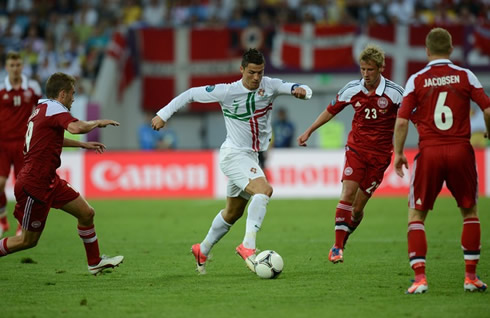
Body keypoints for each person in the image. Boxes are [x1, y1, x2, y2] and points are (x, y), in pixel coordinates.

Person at [151, 48, 312, 274]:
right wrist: (163, 114)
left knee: (232, 213)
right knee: (263, 190)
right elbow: (189, 94)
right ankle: (248, 246)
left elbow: (293, 87)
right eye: (252, 73)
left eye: (260, 72)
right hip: (234, 154)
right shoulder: (227, 92)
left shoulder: (270, 86)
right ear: (242, 70)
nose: (257, 77)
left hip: (251, 156)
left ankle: (202, 248)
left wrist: (302, 92)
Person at [394, 27, 489, 294]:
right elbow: (488, 107)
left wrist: (399, 152)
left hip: (430, 152)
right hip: (461, 151)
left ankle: (420, 279)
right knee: (469, 212)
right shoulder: (465, 75)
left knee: (416, 215)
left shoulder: (417, 79)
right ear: (450, 50)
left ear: (426, 51)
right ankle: (471, 278)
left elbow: (402, 120)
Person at [0, 72, 124, 275]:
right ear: (62, 93)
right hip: (34, 184)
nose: (74, 98)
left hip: (49, 180)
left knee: (86, 213)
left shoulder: (42, 109)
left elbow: (52, 138)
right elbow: (75, 128)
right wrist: (97, 122)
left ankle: (94, 262)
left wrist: (83, 145)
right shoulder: (55, 108)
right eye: (72, 94)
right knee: (27, 241)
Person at [297, 44, 404, 264]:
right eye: (363, 69)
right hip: (356, 149)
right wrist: (309, 130)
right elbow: (330, 110)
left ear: (381, 68)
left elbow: (412, 117)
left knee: (357, 209)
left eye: (370, 70)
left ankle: (343, 239)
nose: (365, 74)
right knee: (347, 193)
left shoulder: (395, 93)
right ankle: (337, 247)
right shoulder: (352, 89)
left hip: (380, 156)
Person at [0, 51, 42, 237]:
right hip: (2, 143)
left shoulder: (32, 87)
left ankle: (20, 223)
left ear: (22, 66)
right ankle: (2, 221)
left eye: (18, 65)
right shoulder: (1, 88)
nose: (15, 68)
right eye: (12, 65)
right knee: (0, 184)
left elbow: (41, 111)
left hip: (23, 144)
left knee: (22, 186)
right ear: (6, 67)